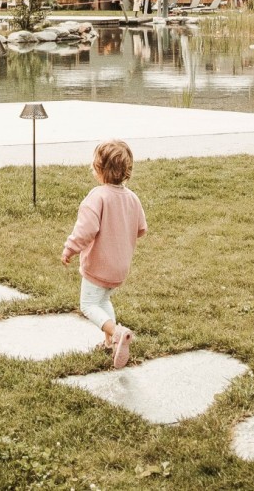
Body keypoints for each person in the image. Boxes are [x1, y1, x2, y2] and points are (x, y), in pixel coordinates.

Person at [62, 139, 147, 369]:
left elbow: (85, 230)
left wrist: (70, 248)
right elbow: (141, 229)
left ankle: (117, 333)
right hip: (120, 267)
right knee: (104, 299)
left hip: (98, 266)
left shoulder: (97, 196)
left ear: (99, 169)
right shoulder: (132, 198)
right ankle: (110, 343)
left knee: (88, 304)